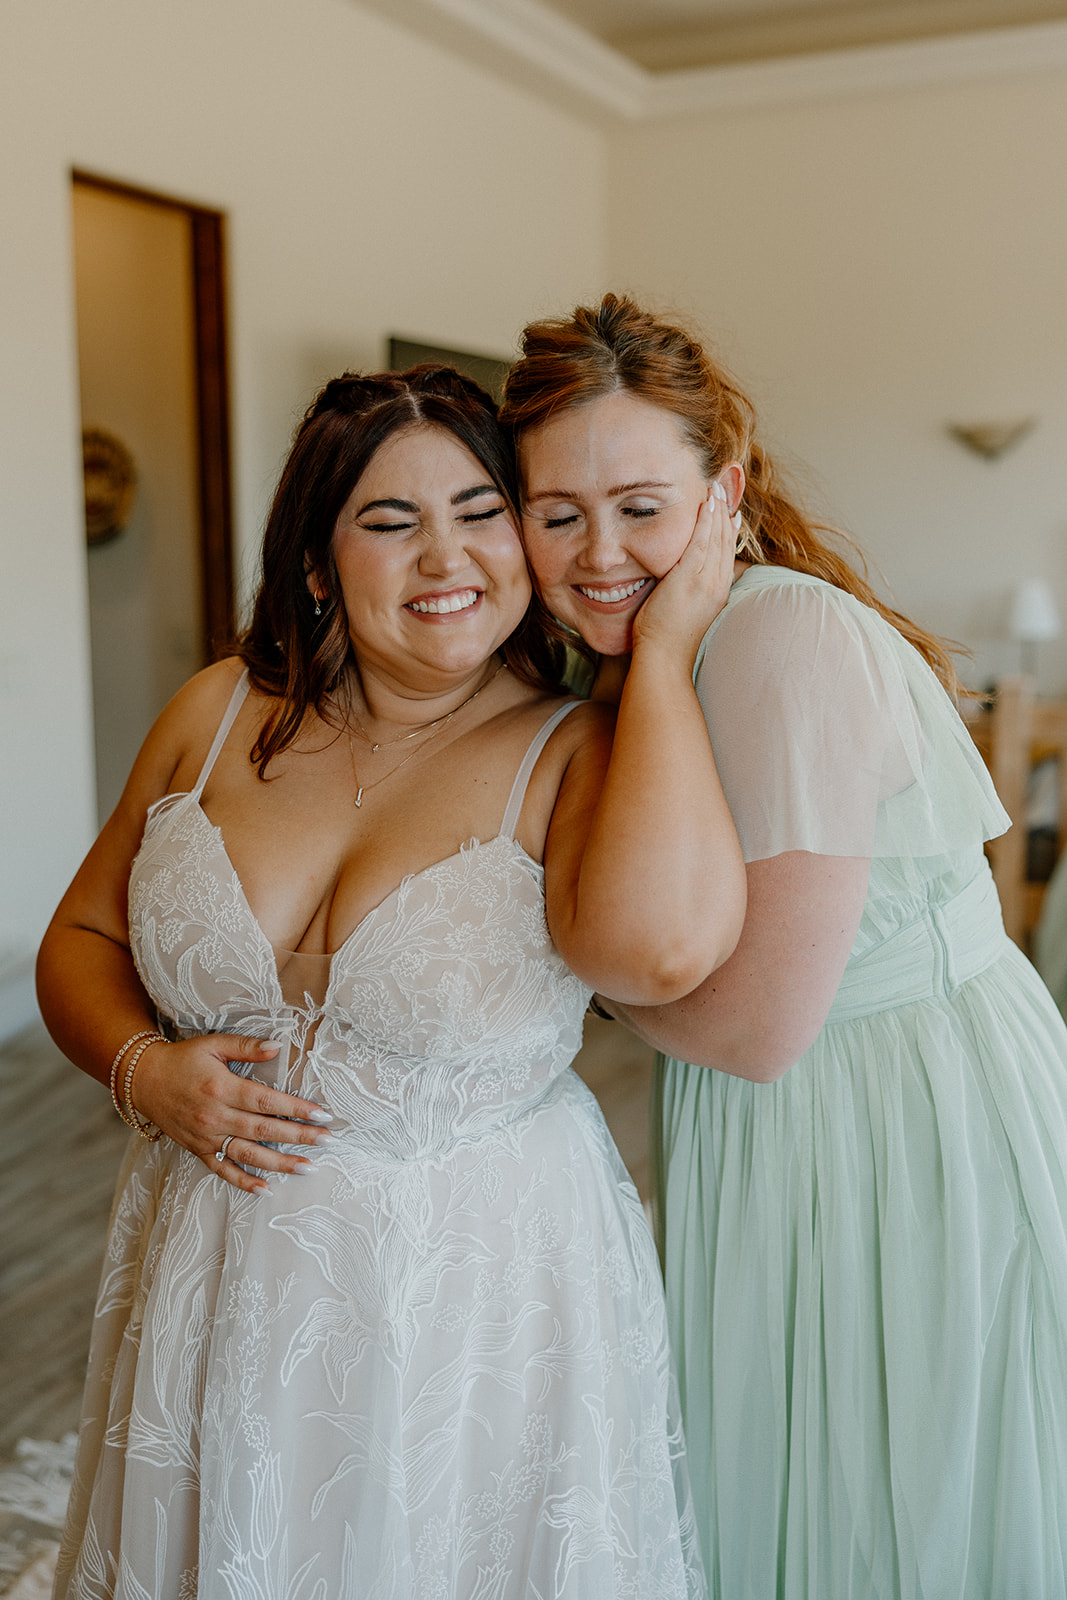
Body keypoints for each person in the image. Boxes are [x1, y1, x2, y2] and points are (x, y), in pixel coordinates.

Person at [38, 363, 747, 1599]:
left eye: (481, 513)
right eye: (389, 521)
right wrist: (142, 1069)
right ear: (317, 561)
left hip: (469, 1299)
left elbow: (660, 954)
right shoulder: (212, 712)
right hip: (211, 1266)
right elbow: (81, 943)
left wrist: (668, 652)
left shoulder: (574, 749)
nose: (446, 557)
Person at [501, 295, 1067, 1598]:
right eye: (556, 512)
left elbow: (752, 1028)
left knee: (880, 1496)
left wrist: (540, 972)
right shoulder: (667, 651)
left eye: (640, 504)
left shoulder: (776, 638)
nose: (597, 553)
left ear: (723, 489)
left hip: (886, 1121)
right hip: (801, 1112)